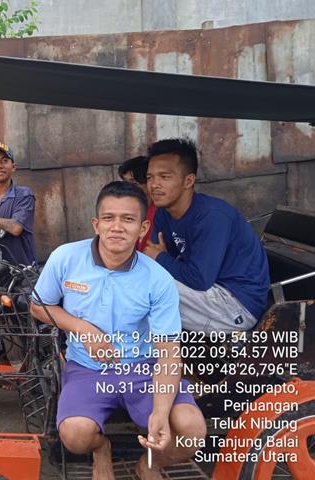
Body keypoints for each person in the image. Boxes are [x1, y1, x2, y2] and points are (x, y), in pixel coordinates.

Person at [30, 181, 206, 480]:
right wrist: (82, 328)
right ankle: (102, 449)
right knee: (75, 436)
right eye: (109, 218)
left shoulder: (158, 279)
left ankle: (149, 464)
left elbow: (168, 354)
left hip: (144, 369)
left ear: (142, 228)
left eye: (128, 219)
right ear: (96, 224)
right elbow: (38, 306)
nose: (117, 227)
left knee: (192, 430)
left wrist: (160, 412)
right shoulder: (65, 258)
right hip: (86, 369)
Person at [143, 138, 270, 332]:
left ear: (188, 181)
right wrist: (159, 258)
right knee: (134, 280)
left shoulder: (212, 216)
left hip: (235, 304)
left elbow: (198, 279)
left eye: (164, 177)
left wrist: (160, 257)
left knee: (143, 289)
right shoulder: (164, 211)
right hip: (203, 294)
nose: (154, 185)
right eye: (150, 177)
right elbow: (149, 258)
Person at [118, 155, 157, 252]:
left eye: (134, 183)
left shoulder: (159, 211)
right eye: (125, 183)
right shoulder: (127, 208)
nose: (128, 188)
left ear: (148, 181)